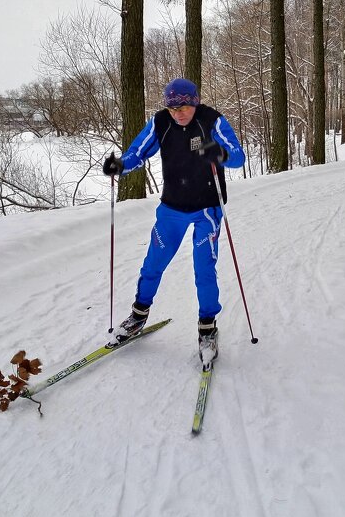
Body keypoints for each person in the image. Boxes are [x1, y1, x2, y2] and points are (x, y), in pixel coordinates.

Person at [102, 78, 246, 366]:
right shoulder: (160, 122)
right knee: (153, 262)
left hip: (206, 208)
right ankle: (138, 315)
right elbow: (138, 153)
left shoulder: (212, 120)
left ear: (194, 102)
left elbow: (238, 156)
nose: (179, 113)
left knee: (203, 268)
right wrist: (120, 164)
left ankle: (207, 328)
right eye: (172, 108)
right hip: (172, 207)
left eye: (184, 106)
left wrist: (219, 153)